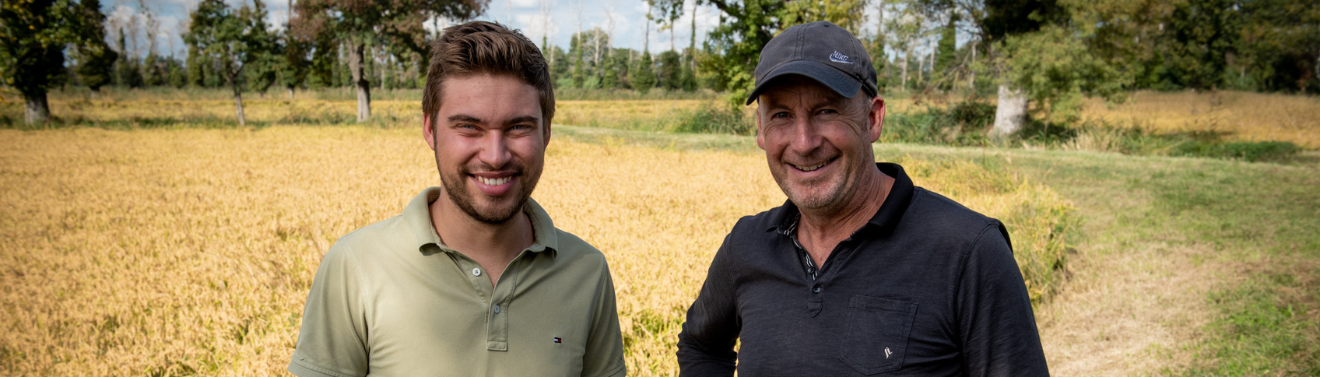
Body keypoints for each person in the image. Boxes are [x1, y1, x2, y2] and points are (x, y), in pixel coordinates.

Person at [675, 21, 1048, 376]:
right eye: (782, 115)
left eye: (826, 111)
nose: (804, 143)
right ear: (760, 131)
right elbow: (700, 345)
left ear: (872, 119)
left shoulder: (967, 251)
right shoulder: (746, 246)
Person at [288, 21, 627, 377]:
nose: (495, 156)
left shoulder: (587, 271)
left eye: (517, 127)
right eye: (469, 127)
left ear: (546, 132)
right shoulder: (356, 267)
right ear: (430, 129)